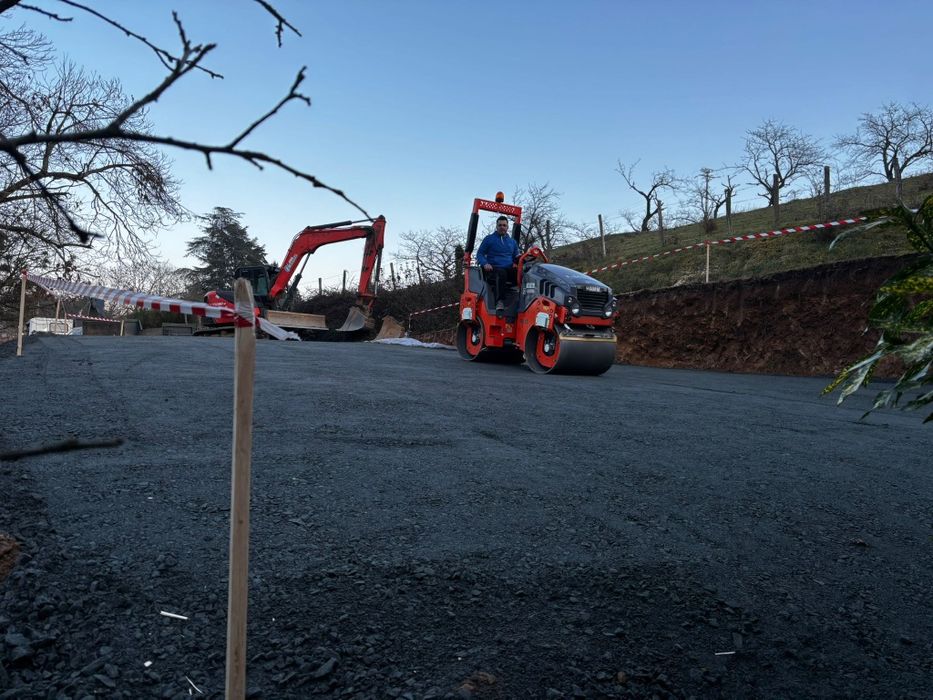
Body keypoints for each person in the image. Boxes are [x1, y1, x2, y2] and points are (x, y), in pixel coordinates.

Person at [476, 215, 521, 311]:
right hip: (493, 268)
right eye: (500, 225)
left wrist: (524, 260)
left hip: (508, 268)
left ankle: (522, 298)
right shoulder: (489, 239)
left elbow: (517, 256)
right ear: (496, 227)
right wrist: (485, 263)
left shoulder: (512, 242)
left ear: (507, 227)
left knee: (523, 272)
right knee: (501, 273)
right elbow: (480, 254)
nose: (502, 227)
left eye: (504, 225)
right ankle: (499, 301)